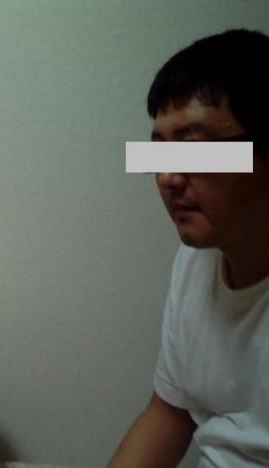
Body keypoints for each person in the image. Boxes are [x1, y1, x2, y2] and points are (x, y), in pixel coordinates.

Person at [108, 29, 269, 467]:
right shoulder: (195, 260)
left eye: (195, 150)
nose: (168, 178)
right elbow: (170, 413)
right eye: (158, 153)